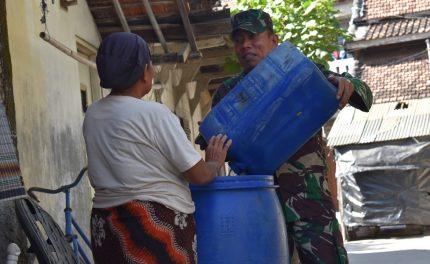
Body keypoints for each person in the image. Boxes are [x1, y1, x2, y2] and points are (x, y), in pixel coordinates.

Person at [196, 9, 373, 264]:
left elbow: (366, 96)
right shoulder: (228, 94)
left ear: (274, 40)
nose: (245, 45)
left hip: (309, 201)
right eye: (238, 39)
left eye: (253, 37)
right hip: (260, 206)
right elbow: (211, 146)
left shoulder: (303, 73)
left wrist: (347, 85)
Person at [83, 32, 232, 264]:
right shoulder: (153, 114)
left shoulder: (93, 114)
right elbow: (199, 175)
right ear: (144, 71)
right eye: (150, 64)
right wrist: (214, 161)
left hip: (107, 226)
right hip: (153, 226)